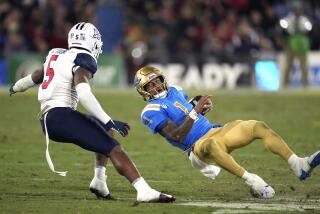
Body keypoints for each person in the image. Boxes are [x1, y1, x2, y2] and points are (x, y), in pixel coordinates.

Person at [9, 23, 175, 203]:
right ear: (91, 42)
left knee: (105, 131)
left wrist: (17, 86)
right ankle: (143, 190)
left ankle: (99, 181)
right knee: (114, 148)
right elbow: (85, 94)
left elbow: (38, 75)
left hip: (51, 117)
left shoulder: (56, 54)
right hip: (60, 116)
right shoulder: (82, 59)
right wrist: (109, 119)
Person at [134, 66, 320, 198]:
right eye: (150, 86)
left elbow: (185, 109)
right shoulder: (150, 111)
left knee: (257, 126)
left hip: (215, 130)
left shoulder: (175, 90)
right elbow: (176, 135)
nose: (156, 87)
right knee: (211, 144)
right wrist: (195, 110)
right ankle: (252, 181)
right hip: (196, 149)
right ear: (143, 91)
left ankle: (298, 164)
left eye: (157, 81)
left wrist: (199, 105)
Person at [280, 1, 312, 87]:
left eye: (299, 9)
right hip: (291, 44)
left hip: (302, 44)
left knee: (304, 66)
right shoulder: (289, 19)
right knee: (288, 66)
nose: (297, 11)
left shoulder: (304, 20)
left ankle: (306, 84)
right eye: (296, 9)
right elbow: (284, 29)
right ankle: (285, 84)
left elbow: (308, 30)